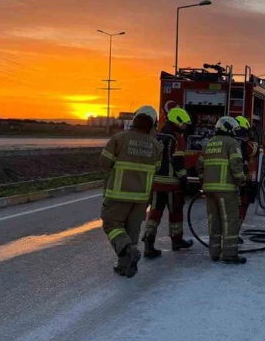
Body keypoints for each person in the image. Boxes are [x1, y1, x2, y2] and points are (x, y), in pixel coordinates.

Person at [99, 105, 161, 278]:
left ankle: (128, 250)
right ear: (153, 123)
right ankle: (125, 266)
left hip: (117, 194)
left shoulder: (119, 138)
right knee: (132, 232)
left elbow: (104, 163)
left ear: (135, 119)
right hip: (141, 198)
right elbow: (157, 168)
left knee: (111, 225)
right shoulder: (156, 145)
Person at [142, 107, 194, 257]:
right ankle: (177, 241)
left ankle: (148, 242)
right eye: (184, 124)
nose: (185, 127)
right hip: (172, 185)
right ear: (177, 122)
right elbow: (178, 161)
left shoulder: (157, 136)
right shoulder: (177, 138)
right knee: (176, 212)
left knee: (155, 213)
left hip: (156, 183)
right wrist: (184, 179)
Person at [197, 116, 247, 264]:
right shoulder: (232, 143)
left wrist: (204, 181)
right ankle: (230, 254)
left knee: (214, 221)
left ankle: (214, 253)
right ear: (229, 128)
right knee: (229, 221)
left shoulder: (209, 144)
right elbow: (236, 164)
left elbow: (199, 166)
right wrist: (242, 182)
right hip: (226, 190)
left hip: (209, 190)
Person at [233, 116, 258, 242]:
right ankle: (233, 235)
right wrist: (253, 137)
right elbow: (254, 150)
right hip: (241, 180)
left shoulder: (228, 139)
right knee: (242, 205)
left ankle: (225, 235)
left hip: (227, 180)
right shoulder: (244, 141)